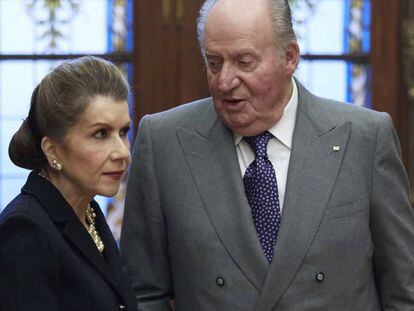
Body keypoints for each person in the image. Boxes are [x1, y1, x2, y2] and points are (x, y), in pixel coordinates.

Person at [121, 0, 414, 310]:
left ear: (289, 57)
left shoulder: (364, 138)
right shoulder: (164, 141)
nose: (224, 81)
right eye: (214, 62)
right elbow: (144, 293)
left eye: (244, 61)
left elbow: (404, 290)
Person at [0, 56, 137, 311]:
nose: (122, 152)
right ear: (52, 150)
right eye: (101, 134)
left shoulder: (89, 212)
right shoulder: (25, 229)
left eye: (123, 132)